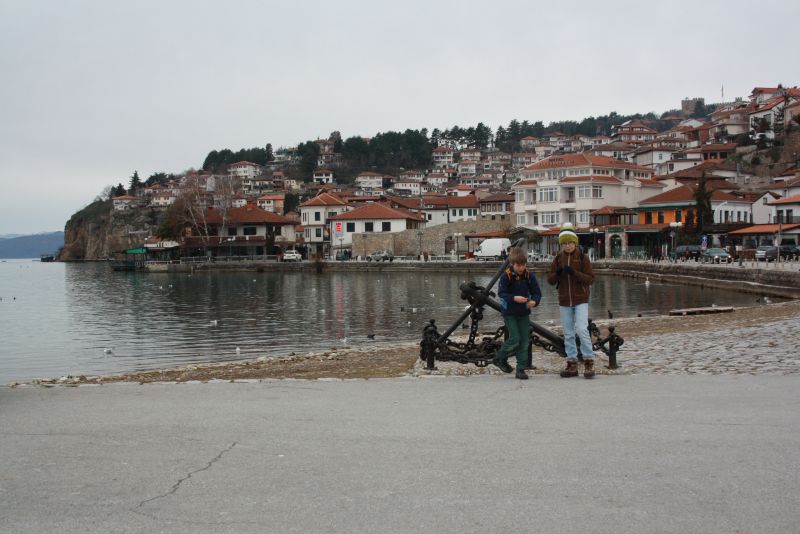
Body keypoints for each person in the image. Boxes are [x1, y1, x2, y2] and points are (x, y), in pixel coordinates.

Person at [547, 224, 596, 379]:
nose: (568, 245)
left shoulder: (583, 258)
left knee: (582, 329)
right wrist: (558, 273)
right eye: (565, 243)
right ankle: (572, 363)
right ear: (562, 244)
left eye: (570, 242)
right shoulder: (558, 258)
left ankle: (588, 361)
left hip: (580, 299)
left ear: (575, 243)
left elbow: (590, 279)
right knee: (568, 333)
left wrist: (574, 273)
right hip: (564, 300)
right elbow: (550, 280)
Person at [492, 247, 542, 379]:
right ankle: (499, 358)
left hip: (523, 312)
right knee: (514, 338)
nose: (521, 268)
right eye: (518, 265)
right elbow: (502, 293)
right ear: (512, 264)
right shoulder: (506, 276)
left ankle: (520, 369)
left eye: (523, 265)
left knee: (525, 341)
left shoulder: (529, 276)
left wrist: (534, 302)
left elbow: (537, 293)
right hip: (509, 312)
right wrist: (514, 298)